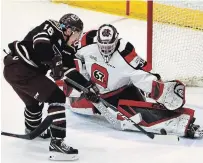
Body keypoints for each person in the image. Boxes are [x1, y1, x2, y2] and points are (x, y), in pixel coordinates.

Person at [63, 24, 203, 138]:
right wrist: (85, 84)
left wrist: (158, 86)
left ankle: (175, 114)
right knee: (73, 102)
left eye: (109, 46)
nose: (106, 50)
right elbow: (74, 58)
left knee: (139, 113)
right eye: (102, 46)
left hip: (122, 91)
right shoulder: (86, 42)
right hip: (92, 94)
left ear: (116, 40)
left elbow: (142, 72)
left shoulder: (126, 52)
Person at [3, 13, 99, 161]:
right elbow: (40, 45)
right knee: (56, 97)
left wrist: (87, 87)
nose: (77, 39)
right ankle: (57, 144)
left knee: (34, 103)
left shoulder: (67, 49)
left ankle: (33, 129)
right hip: (20, 68)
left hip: (21, 72)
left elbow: (69, 71)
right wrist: (54, 61)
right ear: (68, 31)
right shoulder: (51, 27)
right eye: (77, 34)